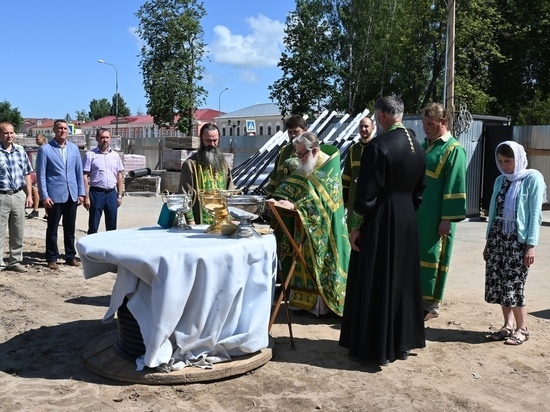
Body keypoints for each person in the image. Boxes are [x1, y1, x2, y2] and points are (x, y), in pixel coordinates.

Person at [339, 96, 426, 366]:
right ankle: (401, 344)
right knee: (400, 280)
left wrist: (356, 226)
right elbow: (419, 191)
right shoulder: (418, 147)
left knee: (377, 279)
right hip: (407, 219)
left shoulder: (379, 145)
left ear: (382, 116)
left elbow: (366, 194)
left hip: (382, 219)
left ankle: (378, 348)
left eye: (377, 115)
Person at [267, 132, 350, 317]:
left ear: (314, 151)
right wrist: (280, 199)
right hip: (304, 224)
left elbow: (323, 204)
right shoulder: (307, 164)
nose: (298, 158)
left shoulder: (329, 166)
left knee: (322, 262)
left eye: (301, 154)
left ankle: (323, 307)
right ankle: (304, 305)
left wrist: (295, 205)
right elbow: (295, 184)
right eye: (296, 154)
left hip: (327, 229)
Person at [483, 141, 546, 345]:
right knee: (500, 284)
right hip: (497, 237)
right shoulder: (500, 180)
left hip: (517, 241)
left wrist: (530, 245)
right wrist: (487, 242)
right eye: (500, 161)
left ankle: (522, 328)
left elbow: (535, 215)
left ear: (518, 159)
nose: (504, 165)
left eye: (508, 161)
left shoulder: (532, 178)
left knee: (514, 285)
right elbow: (493, 212)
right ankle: (508, 326)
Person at [416, 103, 467, 321]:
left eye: (430, 124)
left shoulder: (454, 149)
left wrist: (446, 219)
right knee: (417, 254)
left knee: (433, 255)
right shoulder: (424, 145)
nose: (425, 128)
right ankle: (416, 298)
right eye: (423, 123)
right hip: (419, 213)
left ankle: (430, 303)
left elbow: (455, 186)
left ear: (443, 122)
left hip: (437, 216)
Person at [36, 119, 86, 270]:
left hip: (72, 194)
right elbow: (41, 175)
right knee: (52, 229)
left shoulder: (73, 149)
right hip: (54, 195)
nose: (63, 131)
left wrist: (81, 193)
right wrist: (44, 195)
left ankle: (70, 255)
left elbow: (78, 171)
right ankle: (52, 257)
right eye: (60, 128)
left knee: (70, 227)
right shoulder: (45, 149)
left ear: (68, 131)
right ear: (54, 130)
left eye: (65, 128)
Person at [178, 122, 234, 225]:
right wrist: (190, 220)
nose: (212, 144)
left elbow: (230, 191)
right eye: (208, 141)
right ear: (201, 140)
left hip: (222, 221)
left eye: (215, 141)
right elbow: (184, 195)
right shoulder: (191, 164)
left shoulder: (224, 164)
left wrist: (233, 216)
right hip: (199, 222)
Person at [0, 122, 33, 272]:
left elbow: (27, 174)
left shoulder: (20, 151)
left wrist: (29, 195)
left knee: (18, 230)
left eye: (12, 133)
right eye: (6, 133)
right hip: (2, 196)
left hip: (19, 195)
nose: (9, 136)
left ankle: (15, 261)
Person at [82, 128, 124, 234]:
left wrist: (119, 195)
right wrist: (86, 197)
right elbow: (84, 176)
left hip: (111, 194)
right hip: (96, 193)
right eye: (102, 137)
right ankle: (91, 249)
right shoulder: (90, 155)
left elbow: (119, 175)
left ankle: (109, 249)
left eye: (107, 137)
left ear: (110, 139)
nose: (105, 140)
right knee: (93, 225)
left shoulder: (115, 155)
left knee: (112, 226)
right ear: (97, 139)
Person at [342, 116, 375, 231]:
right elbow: (346, 174)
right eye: (361, 126)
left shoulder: (378, 147)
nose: (363, 129)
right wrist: (344, 197)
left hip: (371, 198)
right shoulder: (353, 149)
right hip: (353, 198)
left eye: (366, 126)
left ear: (373, 128)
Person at [266, 115, 308, 195]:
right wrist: (271, 195)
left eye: (296, 132)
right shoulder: (283, 151)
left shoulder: (311, 151)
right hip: (280, 199)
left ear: (305, 130)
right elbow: (275, 175)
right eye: (290, 132)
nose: (292, 135)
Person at [27, 134, 48, 219]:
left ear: (43, 139)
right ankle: (43, 212)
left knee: (37, 190)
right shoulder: (40, 150)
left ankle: (37, 211)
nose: (36, 140)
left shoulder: (45, 149)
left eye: (38, 139)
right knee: (39, 191)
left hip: (45, 175)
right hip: (40, 174)